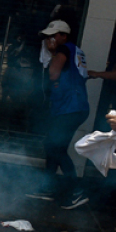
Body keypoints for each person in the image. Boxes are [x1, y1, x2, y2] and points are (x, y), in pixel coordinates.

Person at [34, 20, 91, 209]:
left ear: (64, 36)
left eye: (54, 35)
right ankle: (47, 188)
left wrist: (52, 53)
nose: (50, 39)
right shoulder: (74, 50)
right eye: (48, 36)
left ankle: (75, 192)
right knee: (54, 146)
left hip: (70, 108)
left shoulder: (64, 49)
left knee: (55, 147)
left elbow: (53, 74)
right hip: (72, 107)